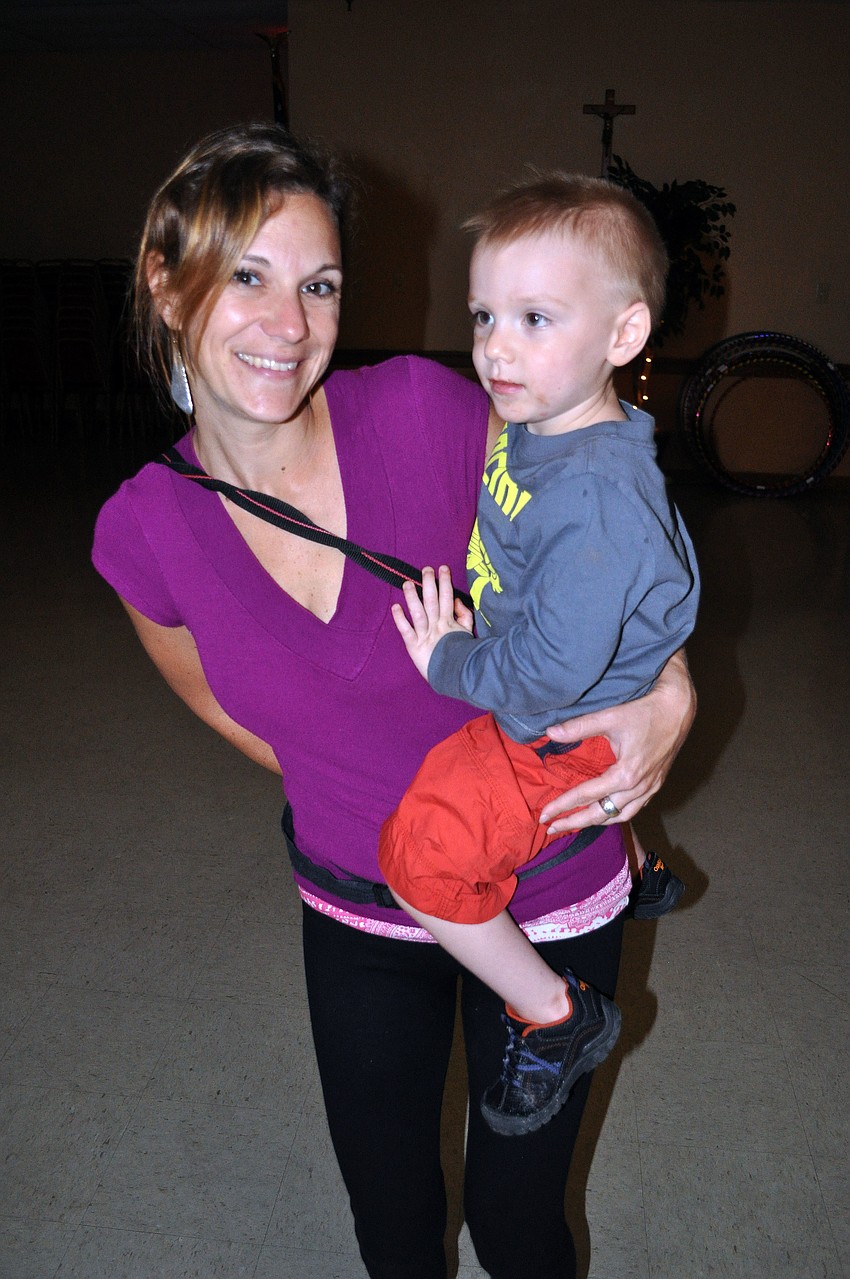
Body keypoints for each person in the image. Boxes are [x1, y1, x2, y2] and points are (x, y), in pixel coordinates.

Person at [91, 123, 696, 1279]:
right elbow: (248, 724)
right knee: (395, 1228)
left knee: (516, 1227)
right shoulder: (143, 532)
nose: (289, 324)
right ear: (166, 286)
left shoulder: (429, 408)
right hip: (358, 917)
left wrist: (669, 691)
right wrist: (400, 814)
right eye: (247, 277)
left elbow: (610, 541)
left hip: (550, 890)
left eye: (317, 283)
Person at [377, 173, 699, 1138]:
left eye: (533, 316)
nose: (494, 347)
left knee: (421, 856)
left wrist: (449, 659)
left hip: (565, 722)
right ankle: (633, 862)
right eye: (483, 314)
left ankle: (556, 1015)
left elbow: (539, 683)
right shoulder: (550, 426)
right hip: (579, 678)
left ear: (624, 336)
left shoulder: (595, 498)